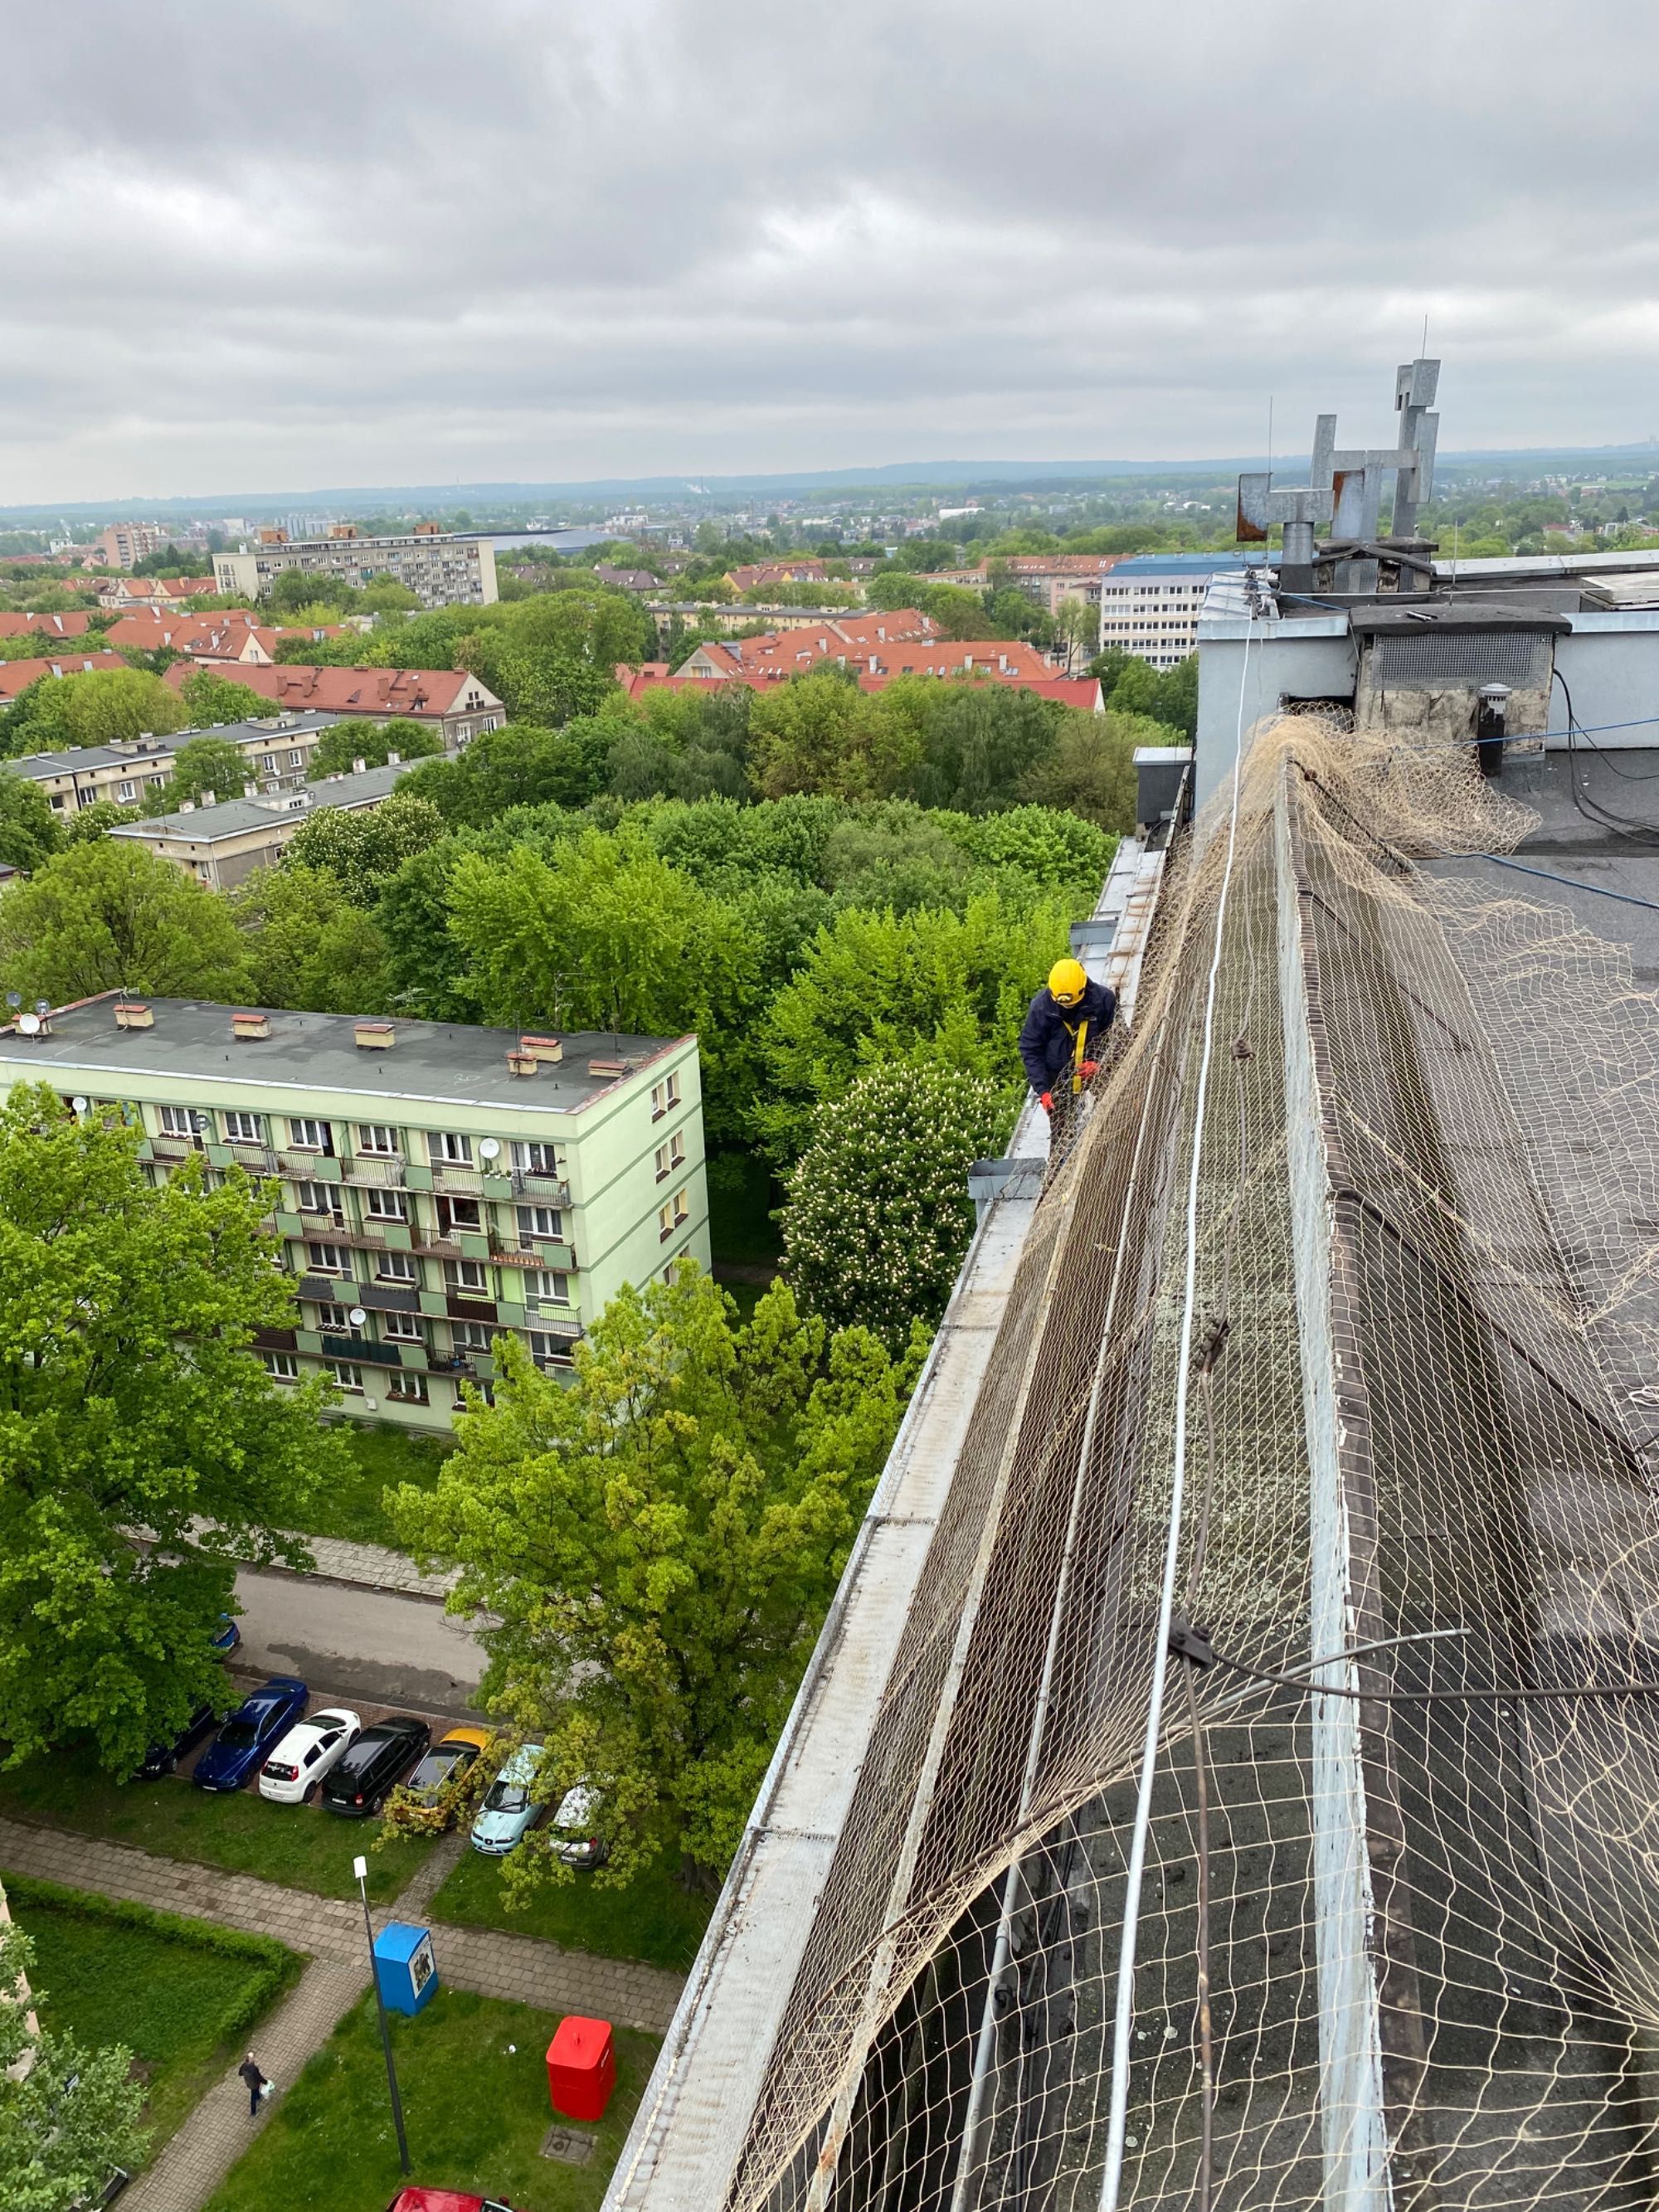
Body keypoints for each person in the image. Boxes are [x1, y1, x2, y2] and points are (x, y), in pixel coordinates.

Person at [1019, 955, 1117, 1155]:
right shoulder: (1042, 1008)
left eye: (1071, 1005)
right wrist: (1043, 1090)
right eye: (1063, 1005)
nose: (1067, 1008)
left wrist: (1100, 1065)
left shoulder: (1104, 1001)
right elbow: (1031, 1049)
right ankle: (1061, 1171)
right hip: (1059, 1081)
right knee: (1062, 1138)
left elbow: (1120, 1039)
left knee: (1112, 1120)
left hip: (1097, 1075)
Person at [238, 2050, 270, 2119]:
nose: (254, 2058)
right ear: (251, 2059)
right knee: (253, 2097)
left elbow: (240, 2073)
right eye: (253, 2057)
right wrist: (266, 2082)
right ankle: (253, 2112)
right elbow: (259, 2077)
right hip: (254, 2084)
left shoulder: (244, 2065)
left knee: (255, 2092)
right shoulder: (254, 2069)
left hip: (248, 2083)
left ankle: (258, 2097)